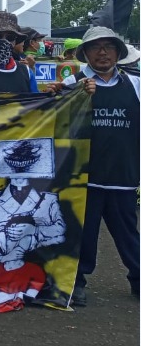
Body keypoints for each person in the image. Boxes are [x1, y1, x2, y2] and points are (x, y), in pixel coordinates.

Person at [57, 26, 139, 306]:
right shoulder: (73, 84)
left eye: (108, 47)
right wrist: (68, 96)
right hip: (84, 177)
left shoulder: (136, 84)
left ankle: (138, 279)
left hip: (123, 176)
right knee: (84, 234)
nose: (102, 52)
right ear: (86, 54)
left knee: (128, 233)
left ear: (118, 52)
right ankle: (76, 282)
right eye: (95, 47)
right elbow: (54, 120)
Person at [0, 139, 66, 313]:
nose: (20, 174)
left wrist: (33, 233)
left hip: (33, 261)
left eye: (25, 169)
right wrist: (0, 253)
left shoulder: (47, 200)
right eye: (15, 169)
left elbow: (60, 229)